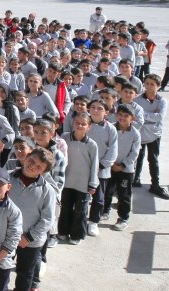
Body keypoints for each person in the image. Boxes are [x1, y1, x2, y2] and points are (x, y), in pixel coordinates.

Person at [9, 149, 57, 291]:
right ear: (27, 156)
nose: (32, 166)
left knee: (25, 273)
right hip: (6, 235)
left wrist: (29, 237)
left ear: (43, 172)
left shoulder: (47, 190)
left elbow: (48, 219)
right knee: (1, 267)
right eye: (32, 161)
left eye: (39, 167)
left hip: (31, 241)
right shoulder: (7, 179)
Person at [58, 113, 99, 244]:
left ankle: (77, 235)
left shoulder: (92, 145)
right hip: (66, 181)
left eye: (83, 124)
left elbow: (95, 165)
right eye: (77, 122)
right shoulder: (64, 139)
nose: (80, 126)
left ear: (89, 127)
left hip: (83, 183)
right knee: (65, 208)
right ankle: (63, 231)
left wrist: (93, 183)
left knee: (80, 211)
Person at [134, 74, 169, 199]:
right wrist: (150, 115)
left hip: (154, 134)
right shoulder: (137, 99)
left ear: (158, 87)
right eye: (147, 83)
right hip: (140, 133)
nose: (149, 87)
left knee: (153, 159)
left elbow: (159, 117)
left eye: (152, 84)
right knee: (138, 157)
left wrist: (143, 114)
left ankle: (155, 184)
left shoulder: (162, 101)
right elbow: (135, 115)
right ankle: (135, 179)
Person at [85, 99, 118, 229]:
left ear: (106, 113)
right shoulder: (84, 124)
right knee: (81, 196)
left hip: (101, 169)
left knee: (98, 197)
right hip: (83, 167)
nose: (95, 110)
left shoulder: (110, 129)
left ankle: (93, 222)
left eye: (100, 108)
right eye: (93, 107)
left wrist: (101, 165)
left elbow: (113, 150)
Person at [110, 104, 142, 232]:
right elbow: (107, 146)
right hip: (110, 166)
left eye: (126, 116)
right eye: (120, 115)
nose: (122, 118)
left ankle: (123, 218)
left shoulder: (135, 134)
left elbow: (134, 153)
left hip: (126, 170)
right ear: (116, 115)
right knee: (107, 191)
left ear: (132, 118)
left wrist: (122, 165)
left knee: (124, 195)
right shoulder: (111, 128)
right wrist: (111, 163)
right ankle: (104, 212)